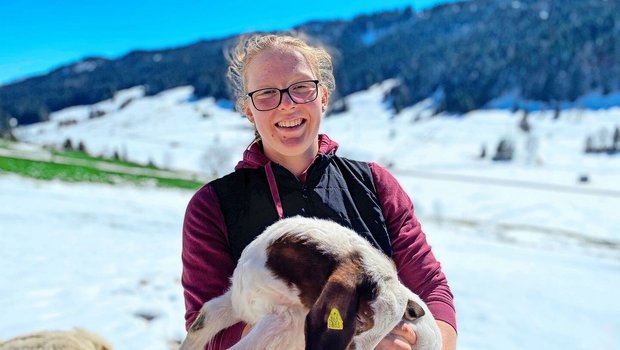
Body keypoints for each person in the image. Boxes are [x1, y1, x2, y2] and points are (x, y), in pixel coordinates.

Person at [181, 33, 457, 350]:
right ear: (248, 110)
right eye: (267, 94)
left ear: (323, 96)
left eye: (301, 88)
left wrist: (430, 343)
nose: (287, 104)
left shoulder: (373, 184)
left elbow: (431, 287)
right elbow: (209, 336)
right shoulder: (214, 205)